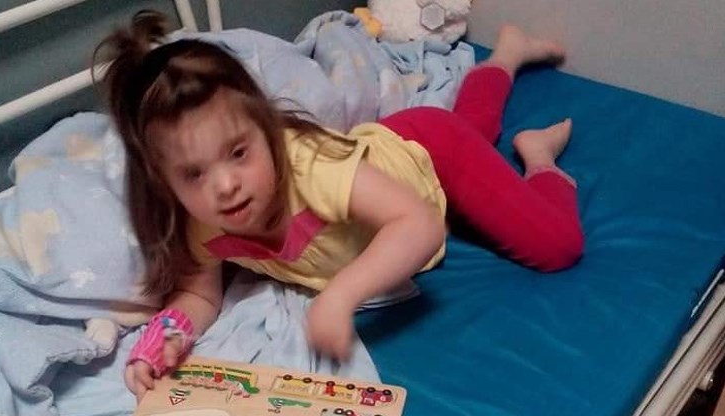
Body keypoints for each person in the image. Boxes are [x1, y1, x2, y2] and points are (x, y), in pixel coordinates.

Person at [95, 11, 583, 400]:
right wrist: (168, 336)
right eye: (194, 173)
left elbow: (420, 223)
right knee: (478, 127)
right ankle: (509, 52)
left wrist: (342, 295)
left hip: (431, 150)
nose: (224, 186)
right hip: (390, 171)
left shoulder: (311, 167)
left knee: (557, 244)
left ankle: (538, 155)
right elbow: (200, 296)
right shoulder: (199, 222)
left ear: (266, 129)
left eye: (238, 152)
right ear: (164, 182)